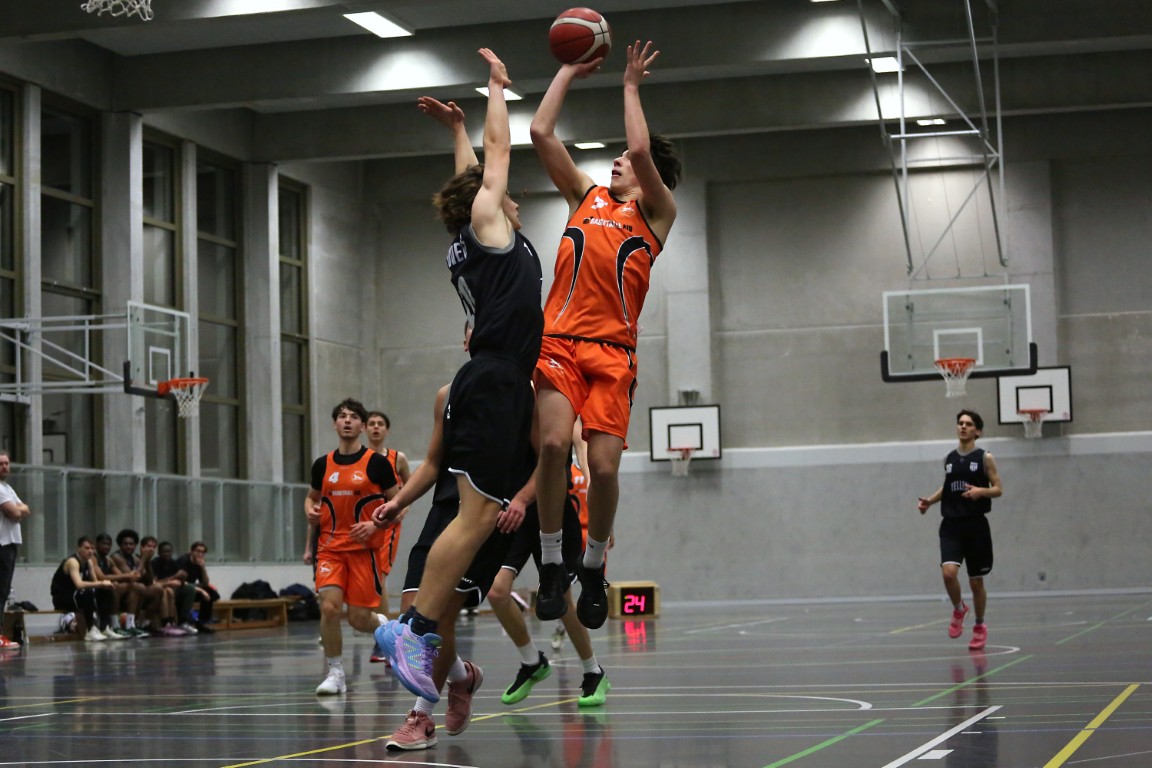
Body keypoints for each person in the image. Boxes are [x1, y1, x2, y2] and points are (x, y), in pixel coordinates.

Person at [372, 47, 544, 706]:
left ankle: (414, 630)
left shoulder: (475, 240)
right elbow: (495, 159)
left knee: (476, 516)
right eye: (499, 193)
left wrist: (456, 131)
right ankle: (412, 630)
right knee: (475, 519)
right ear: (485, 206)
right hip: (496, 382)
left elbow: (475, 175)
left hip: (491, 379)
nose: (510, 195)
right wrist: (496, 88)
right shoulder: (489, 227)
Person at [529, 40, 681, 628]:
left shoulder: (657, 216)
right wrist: (567, 70)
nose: (617, 161)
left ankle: (593, 564)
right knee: (550, 446)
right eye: (614, 157)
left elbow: (641, 147)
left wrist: (630, 85)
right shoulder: (584, 196)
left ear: (650, 177)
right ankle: (551, 563)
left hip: (614, 354)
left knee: (606, 469)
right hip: (559, 343)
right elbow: (541, 132)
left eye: (624, 159)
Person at [487, 452, 610, 708]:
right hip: (516, 514)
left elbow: (586, 458)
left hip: (554, 514)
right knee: (496, 591)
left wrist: (600, 511)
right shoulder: (512, 427)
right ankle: (532, 661)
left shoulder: (561, 428)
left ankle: (593, 671)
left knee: (562, 603)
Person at [306, 397, 399, 695]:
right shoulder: (322, 464)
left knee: (359, 619)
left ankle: (387, 626)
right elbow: (311, 497)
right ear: (335, 424)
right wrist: (309, 510)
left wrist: (375, 525)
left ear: (362, 426)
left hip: (363, 551)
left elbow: (398, 504)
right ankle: (336, 673)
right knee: (330, 608)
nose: (347, 420)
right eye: (342, 416)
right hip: (330, 549)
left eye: (354, 416)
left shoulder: (377, 464)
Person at [917, 409, 1003, 651]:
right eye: (960, 423)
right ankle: (958, 609)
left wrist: (981, 491)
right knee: (948, 574)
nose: (963, 426)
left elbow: (998, 489)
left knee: (976, 582)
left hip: (976, 526)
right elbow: (948, 487)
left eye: (968, 424)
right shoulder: (949, 458)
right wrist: (929, 502)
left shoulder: (985, 458)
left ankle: (980, 625)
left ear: (978, 431)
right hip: (951, 525)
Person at [365, 410, 410, 661]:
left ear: (386, 430)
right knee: (368, 582)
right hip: (363, 524)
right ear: (365, 429)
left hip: (387, 526)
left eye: (380, 424)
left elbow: (410, 488)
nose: (375, 427)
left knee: (379, 578)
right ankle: (383, 631)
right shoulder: (359, 458)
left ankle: (383, 639)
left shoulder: (397, 458)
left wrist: (402, 510)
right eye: (371, 423)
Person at [49, 536, 119, 642]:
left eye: (92, 548)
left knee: (106, 590)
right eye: (87, 548)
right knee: (88, 592)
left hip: (79, 595)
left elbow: (95, 582)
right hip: (63, 597)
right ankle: (90, 630)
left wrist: (105, 585)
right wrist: (101, 583)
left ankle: (105, 627)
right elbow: (79, 584)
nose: (90, 551)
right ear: (79, 549)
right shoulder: (73, 562)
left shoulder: (89, 562)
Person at [0, 450, 31, 649]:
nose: (5, 467)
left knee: (3, 591)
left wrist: (18, 510)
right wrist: (17, 511)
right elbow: (14, 512)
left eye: (6, 463)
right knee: (0, 590)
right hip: (2, 544)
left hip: (10, 544)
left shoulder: (7, 488)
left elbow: (25, 508)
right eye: (1, 464)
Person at [89, 533, 139, 638]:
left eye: (109, 544)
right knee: (114, 586)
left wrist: (130, 576)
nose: (106, 547)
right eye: (104, 544)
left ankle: (130, 625)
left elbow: (121, 576)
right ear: (97, 544)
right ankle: (113, 625)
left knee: (133, 587)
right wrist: (127, 575)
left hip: (105, 588)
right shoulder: (93, 558)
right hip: (91, 588)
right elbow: (101, 577)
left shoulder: (108, 560)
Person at [151, 541, 199, 635]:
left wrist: (182, 578)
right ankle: (167, 623)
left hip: (173, 589)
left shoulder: (173, 563)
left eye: (169, 552)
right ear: (159, 552)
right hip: (160, 590)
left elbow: (179, 580)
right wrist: (171, 580)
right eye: (164, 552)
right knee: (167, 591)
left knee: (190, 589)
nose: (167, 554)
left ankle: (184, 621)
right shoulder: (154, 563)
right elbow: (154, 582)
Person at [175, 541, 219, 633]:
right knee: (200, 592)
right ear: (192, 551)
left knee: (211, 593)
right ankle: (184, 621)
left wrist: (203, 568)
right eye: (198, 551)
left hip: (191, 588)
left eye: (202, 552)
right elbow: (180, 581)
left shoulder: (199, 563)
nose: (200, 554)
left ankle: (202, 622)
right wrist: (201, 591)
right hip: (180, 588)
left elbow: (205, 583)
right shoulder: (183, 561)